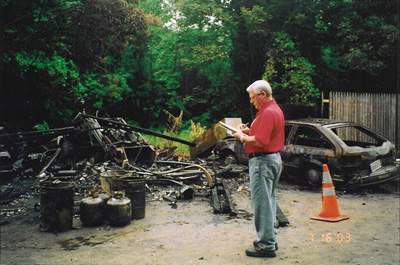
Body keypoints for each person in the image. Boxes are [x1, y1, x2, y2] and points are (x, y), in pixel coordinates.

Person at [233, 80, 285, 258]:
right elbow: (264, 135)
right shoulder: (273, 110)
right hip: (272, 159)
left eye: (253, 97)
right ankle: (269, 239)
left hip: (262, 162)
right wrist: (248, 131)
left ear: (263, 94)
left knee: (261, 204)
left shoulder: (267, 113)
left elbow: (261, 141)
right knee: (269, 202)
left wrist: (241, 137)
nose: (251, 101)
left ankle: (266, 245)